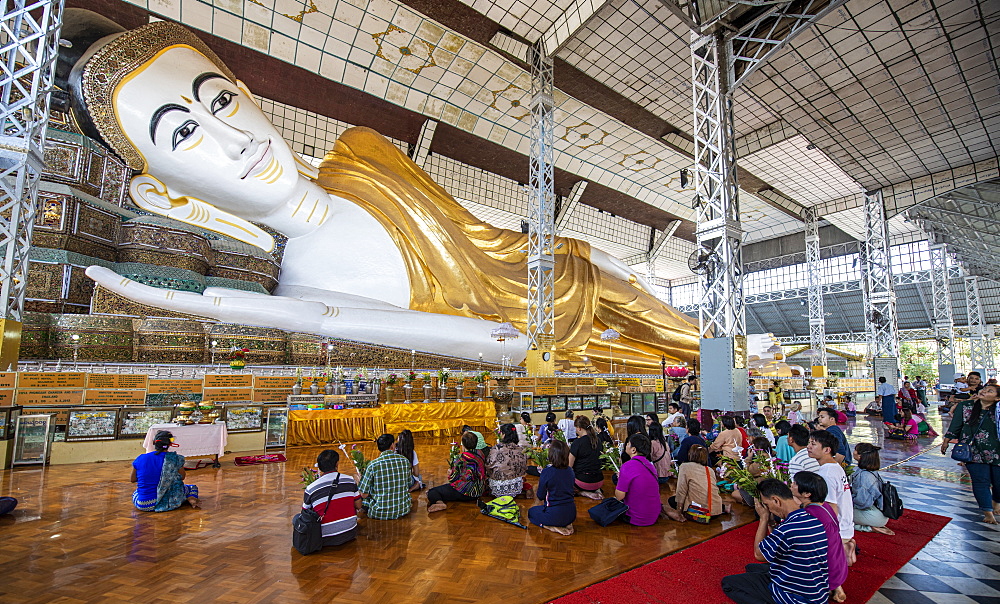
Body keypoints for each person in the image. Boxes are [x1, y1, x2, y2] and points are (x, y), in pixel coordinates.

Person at [59, 11, 699, 372]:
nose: (233, 139)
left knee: (593, 262)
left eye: (222, 99)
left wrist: (536, 260)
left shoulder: (363, 155)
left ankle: (716, 352)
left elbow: (479, 235)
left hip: (525, 273)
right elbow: (489, 345)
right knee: (612, 361)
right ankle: (709, 366)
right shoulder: (305, 286)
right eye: (184, 135)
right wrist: (230, 304)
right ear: (165, 193)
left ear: (251, 97)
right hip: (531, 345)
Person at [721, 478, 828, 604]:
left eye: (767, 504)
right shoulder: (810, 519)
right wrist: (771, 523)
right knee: (752, 569)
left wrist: (763, 519)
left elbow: (759, 554)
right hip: (818, 598)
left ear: (776, 500)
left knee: (729, 583)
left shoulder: (787, 529)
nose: (767, 508)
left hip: (800, 601)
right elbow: (780, 548)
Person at [941, 383, 1000, 524]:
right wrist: (946, 441)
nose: (984, 391)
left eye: (990, 391)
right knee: (980, 481)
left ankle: (996, 501)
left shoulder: (998, 410)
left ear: (997, 398)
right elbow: (956, 425)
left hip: (997, 451)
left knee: (998, 483)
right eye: (984, 389)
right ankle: (987, 512)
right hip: (973, 451)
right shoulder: (965, 406)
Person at [792, 471, 848, 603]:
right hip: (839, 569)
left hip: (825, 574)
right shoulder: (826, 507)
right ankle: (835, 585)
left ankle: (827, 586)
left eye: (795, 483)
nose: (792, 485)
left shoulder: (810, 515)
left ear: (807, 494)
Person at [807, 430, 856, 564]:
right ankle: (845, 545)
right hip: (847, 525)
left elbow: (830, 508)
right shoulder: (835, 466)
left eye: (813, 444)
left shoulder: (826, 473)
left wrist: (829, 534)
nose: (809, 447)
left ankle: (841, 548)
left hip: (839, 530)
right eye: (809, 443)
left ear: (827, 449)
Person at [302, 449, 362, 547]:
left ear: (319, 467)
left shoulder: (311, 488)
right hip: (350, 532)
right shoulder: (350, 480)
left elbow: (304, 513)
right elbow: (359, 506)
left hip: (323, 537)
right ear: (337, 464)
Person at [131, 431, 200, 511]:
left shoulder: (141, 458)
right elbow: (182, 477)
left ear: (154, 443)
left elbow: (133, 479)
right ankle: (191, 498)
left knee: (136, 492)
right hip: (169, 502)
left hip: (144, 503)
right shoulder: (175, 459)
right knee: (191, 488)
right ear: (170, 444)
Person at [427, 431, 487, 512]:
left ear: (463, 445)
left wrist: (450, 473)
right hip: (478, 491)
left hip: (465, 492)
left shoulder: (461, 458)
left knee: (432, 492)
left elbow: (453, 479)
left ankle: (440, 503)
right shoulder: (480, 454)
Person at [528, 437, 576, 535]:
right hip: (572, 514)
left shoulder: (547, 471)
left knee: (531, 512)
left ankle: (551, 526)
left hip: (554, 514)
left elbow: (541, 496)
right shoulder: (570, 471)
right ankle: (565, 523)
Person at [358, 433, 413, 519]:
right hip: (403, 509)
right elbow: (409, 483)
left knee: (364, 497)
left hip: (379, 512)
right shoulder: (404, 461)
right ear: (392, 446)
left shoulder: (373, 465)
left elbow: (363, 494)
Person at [667, 444, 727, 521]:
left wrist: (679, 512)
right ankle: (724, 508)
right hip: (716, 511)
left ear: (690, 454)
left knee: (672, 500)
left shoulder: (685, 467)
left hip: (700, 513)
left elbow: (681, 491)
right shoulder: (709, 470)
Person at [613, 434, 662, 526]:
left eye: (628, 444)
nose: (626, 446)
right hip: (654, 515)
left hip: (637, 518)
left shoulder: (627, 466)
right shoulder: (650, 465)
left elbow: (619, 496)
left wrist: (620, 481)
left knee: (608, 504)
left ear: (633, 449)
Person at [851, 442, 895, 534]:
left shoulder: (864, 476)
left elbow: (863, 502)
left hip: (873, 516)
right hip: (879, 514)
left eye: (856, 450)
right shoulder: (869, 471)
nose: (853, 452)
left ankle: (868, 528)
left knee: (837, 514)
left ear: (860, 456)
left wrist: (848, 499)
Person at [487, 423, 529, 497]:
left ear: (503, 435)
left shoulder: (496, 449)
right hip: (516, 485)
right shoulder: (521, 449)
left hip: (498, 487)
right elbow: (524, 468)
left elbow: (489, 466)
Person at [569, 415, 605, 500]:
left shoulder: (577, 442)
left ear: (579, 428)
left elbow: (569, 467)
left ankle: (583, 492)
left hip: (583, 482)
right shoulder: (598, 441)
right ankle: (595, 490)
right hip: (599, 480)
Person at [646, 415, 674, 483]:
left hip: (658, 475)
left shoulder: (652, 443)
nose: (647, 422)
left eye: (648, 420)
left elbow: (648, 457)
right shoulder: (664, 442)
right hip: (667, 474)